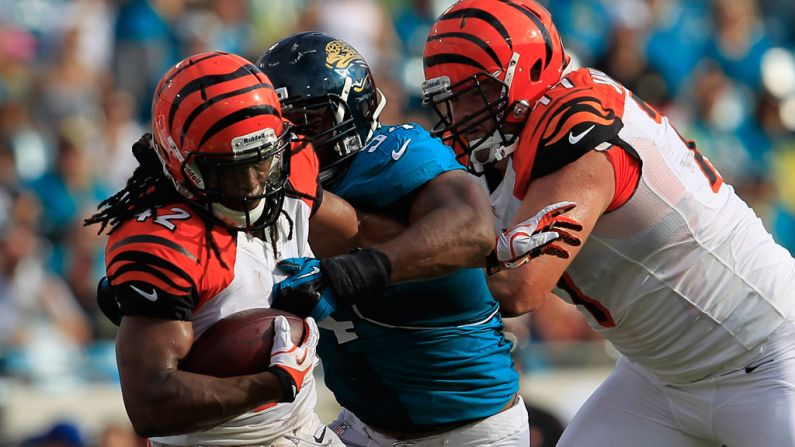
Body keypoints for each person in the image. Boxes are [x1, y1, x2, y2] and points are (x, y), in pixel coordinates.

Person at [421, 1, 795, 446]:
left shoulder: (580, 128)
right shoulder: (500, 144)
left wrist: (399, 266)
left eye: (472, 93)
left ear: (528, 72)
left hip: (768, 357)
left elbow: (520, 287)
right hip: (655, 377)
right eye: (450, 98)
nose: (460, 115)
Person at [257, 32, 582, 447]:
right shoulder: (267, 189)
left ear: (350, 109)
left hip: (465, 430)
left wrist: (354, 272)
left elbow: (470, 228)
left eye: (309, 122)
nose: (294, 140)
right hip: (363, 424)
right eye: (281, 126)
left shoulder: (395, 152)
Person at [84, 51, 345, 446]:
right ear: (179, 163)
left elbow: (353, 229)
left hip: (305, 425)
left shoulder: (292, 163)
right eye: (231, 170)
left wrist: (349, 274)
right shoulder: (167, 243)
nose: (255, 183)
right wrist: (272, 382)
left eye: (262, 162)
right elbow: (149, 405)